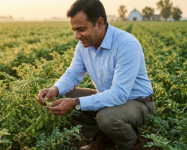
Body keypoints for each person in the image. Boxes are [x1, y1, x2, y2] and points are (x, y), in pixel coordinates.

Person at [37, 0, 155, 149]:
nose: (77, 36)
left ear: (99, 23)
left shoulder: (126, 44)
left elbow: (119, 94)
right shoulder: (84, 46)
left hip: (139, 102)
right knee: (62, 95)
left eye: (81, 29)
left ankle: (132, 145)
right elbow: (73, 74)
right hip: (108, 97)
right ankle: (103, 139)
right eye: (74, 30)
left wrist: (76, 103)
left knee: (107, 117)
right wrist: (54, 89)